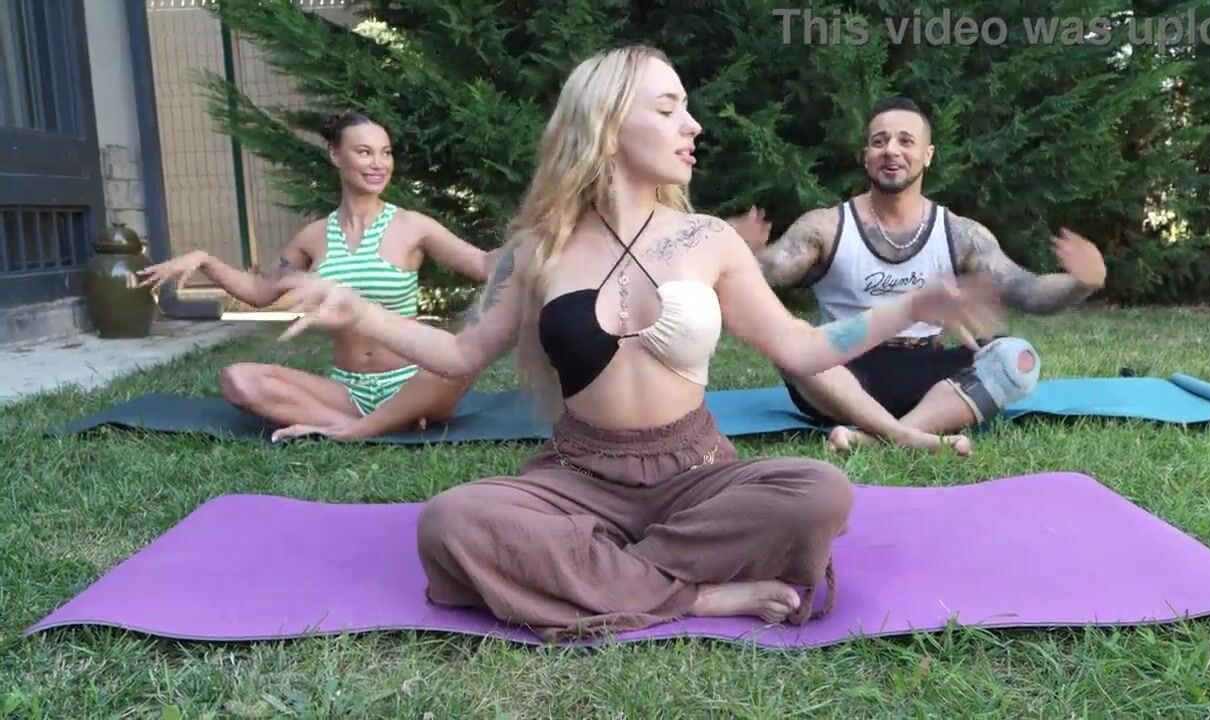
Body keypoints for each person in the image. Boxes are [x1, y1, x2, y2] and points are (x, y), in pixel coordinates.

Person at [275, 48, 1003, 640]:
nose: (693, 125)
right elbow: (461, 356)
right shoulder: (538, 248)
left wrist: (909, 306)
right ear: (607, 125)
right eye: (668, 108)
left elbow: (804, 348)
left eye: (687, 108)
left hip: (697, 474)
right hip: (577, 476)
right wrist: (359, 312)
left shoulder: (708, 239)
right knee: (450, 521)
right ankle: (694, 595)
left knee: (820, 492)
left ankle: (598, 575)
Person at [734, 97, 1107, 456]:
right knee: (786, 341)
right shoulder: (825, 227)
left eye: (905, 141)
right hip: (841, 371)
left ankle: (880, 437)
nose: (891, 150)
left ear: (928, 155)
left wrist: (1082, 283)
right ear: (866, 156)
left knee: (1018, 358)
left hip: (925, 376)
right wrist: (737, 251)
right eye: (879, 142)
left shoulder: (960, 233)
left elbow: (1028, 291)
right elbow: (763, 274)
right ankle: (903, 436)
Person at [138, 111, 496, 442]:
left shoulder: (413, 226)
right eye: (364, 152)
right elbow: (260, 292)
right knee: (238, 379)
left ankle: (364, 426)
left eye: (385, 153)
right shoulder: (312, 237)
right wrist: (204, 260)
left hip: (413, 385)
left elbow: (484, 265)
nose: (379, 164)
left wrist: (529, 240)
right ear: (335, 155)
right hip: (348, 391)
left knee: (460, 362)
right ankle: (368, 426)